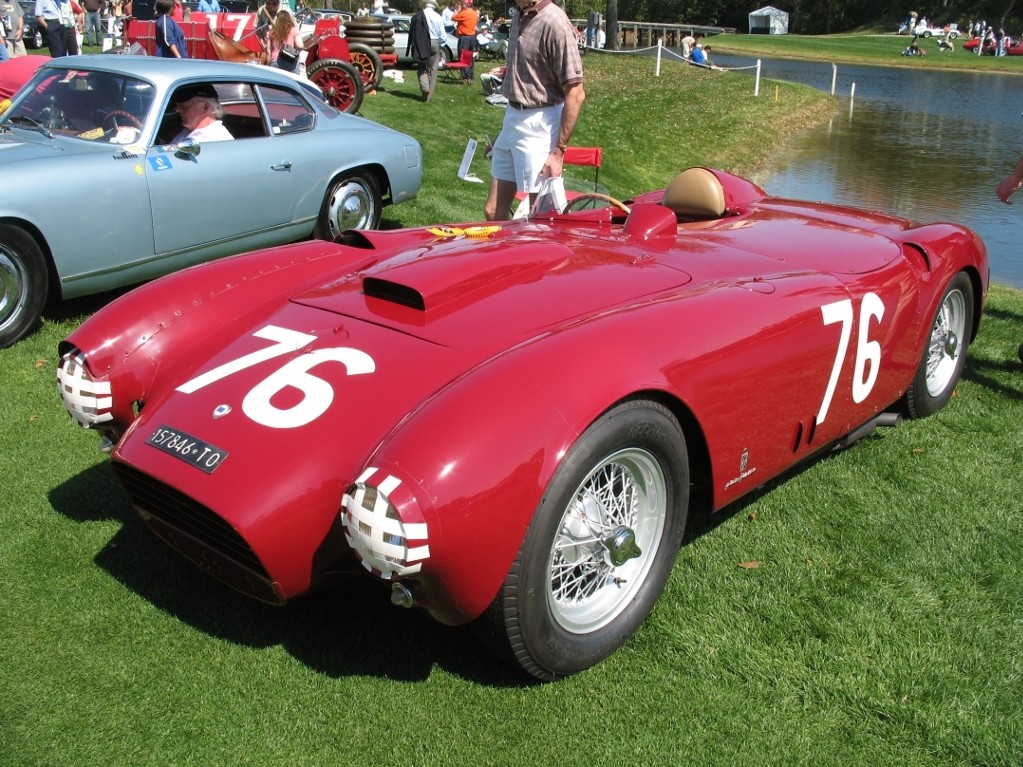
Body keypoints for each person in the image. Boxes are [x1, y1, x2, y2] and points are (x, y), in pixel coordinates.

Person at [483, 0, 584, 221]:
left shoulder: (555, 22)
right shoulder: (520, 15)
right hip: (512, 117)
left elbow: (576, 93)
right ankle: (506, 255)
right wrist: (503, 133)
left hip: (541, 124)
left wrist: (558, 151)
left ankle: (540, 255)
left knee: (542, 219)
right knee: (492, 212)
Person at [407, 0, 443, 102]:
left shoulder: (419, 15)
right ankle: (428, 97)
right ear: (434, 6)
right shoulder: (438, 17)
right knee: (433, 69)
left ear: (424, 5)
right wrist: (439, 44)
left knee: (422, 67)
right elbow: (443, 36)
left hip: (422, 42)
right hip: (435, 42)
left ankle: (425, 88)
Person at [452, 0, 477, 84]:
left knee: (463, 56)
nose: (462, 5)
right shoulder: (474, 13)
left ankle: (464, 77)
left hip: (464, 37)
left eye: (462, 4)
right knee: (470, 57)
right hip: (472, 37)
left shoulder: (464, 13)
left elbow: (453, 18)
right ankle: (470, 76)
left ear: (466, 5)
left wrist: (458, 10)